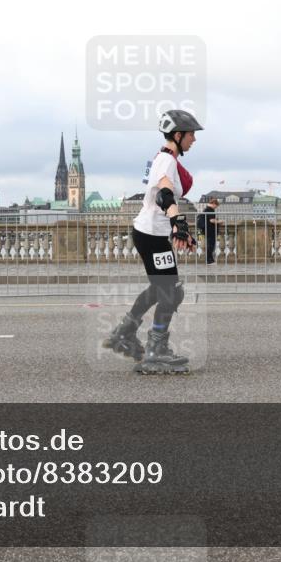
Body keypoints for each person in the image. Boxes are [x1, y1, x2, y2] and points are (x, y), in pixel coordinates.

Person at [102, 110, 202, 375]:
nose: (194, 139)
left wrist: (180, 229)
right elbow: (164, 196)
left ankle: (125, 332)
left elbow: (163, 199)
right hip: (151, 236)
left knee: (161, 288)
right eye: (191, 134)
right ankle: (155, 351)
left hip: (151, 233)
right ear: (178, 135)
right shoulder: (166, 161)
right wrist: (178, 223)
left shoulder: (164, 158)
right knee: (172, 292)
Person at [197, 197, 220, 265]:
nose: (216, 207)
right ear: (213, 203)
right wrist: (219, 221)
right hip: (210, 230)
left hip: (207, 229)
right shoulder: (210, 210)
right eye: (216, 205)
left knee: (210, 245)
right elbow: (211, 220)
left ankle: (210, 260)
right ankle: (209, 261)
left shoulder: (206, 209)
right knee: (211, 245)